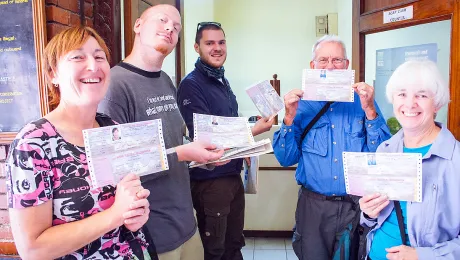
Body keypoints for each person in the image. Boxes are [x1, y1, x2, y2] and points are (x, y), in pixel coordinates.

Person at [6, 26, 152, 259]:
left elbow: (128, 203)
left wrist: (135, 215)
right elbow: (33, 249)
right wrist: (115, 214)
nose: (93, 66)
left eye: (99, 57)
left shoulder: (111, 128)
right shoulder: (33, 143)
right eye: (78, 57)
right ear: (53, 74)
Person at [98, 5, 224, 260]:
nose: (170, 28)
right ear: (138, 25)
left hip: (187, 225)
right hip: (150, 235)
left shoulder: (165, 80)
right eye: (162, 20)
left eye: (176, 27)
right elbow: (114, 167)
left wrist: (201, 155)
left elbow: (176, 142)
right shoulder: (115, 85)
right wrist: (182, 152)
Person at [272, 35, 391, 260]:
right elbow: (286, 159)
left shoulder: (364, 102)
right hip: (313, 207)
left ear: (347, 66)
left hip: (354, 207)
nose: (330, 66)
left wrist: (370, 112)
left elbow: (381, 157)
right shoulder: (300, 105)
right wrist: (288, 117)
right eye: (323, 60)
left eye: (337, 60)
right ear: (312, 66)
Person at [177, 22, 273, 260]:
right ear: (197, 47)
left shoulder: (222, 81)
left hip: (231, 177)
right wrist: (253, 131)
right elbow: (207, 140)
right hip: (211, 182)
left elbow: (227, 126)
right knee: (216, 251)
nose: (217, 48)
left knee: (234, 245)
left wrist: (247, 135)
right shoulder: (192, 85)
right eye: (209, 43)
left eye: (221, 42)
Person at [360, 60, 460, 260]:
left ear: (437, 103)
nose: (410, 104)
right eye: (402, 94)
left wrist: (424, 255)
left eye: (421, 95)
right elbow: (373, 222)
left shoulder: (455, 159)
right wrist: (368, 214)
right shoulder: (385, 150)